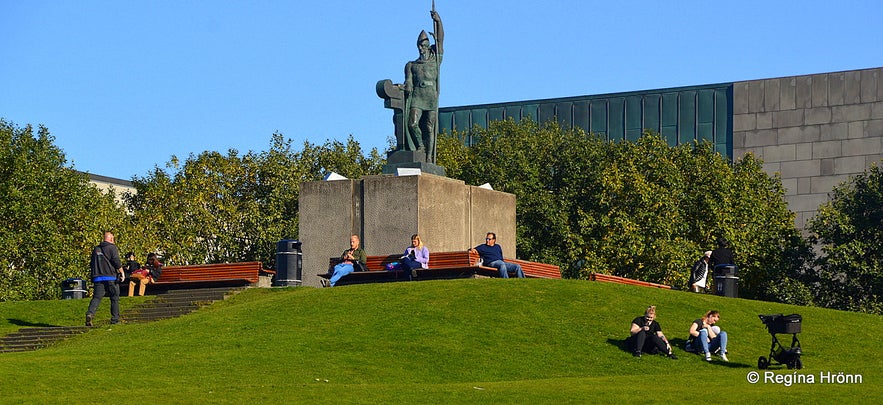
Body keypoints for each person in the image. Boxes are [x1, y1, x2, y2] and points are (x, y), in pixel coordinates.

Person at [401, 8, 444, 163]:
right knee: (412, 123)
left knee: (430, 128)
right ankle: (421, 146)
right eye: (419, 45)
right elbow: (409, 83)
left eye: (423, 44)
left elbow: (440, 40)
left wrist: (438, 21)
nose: (421, 48)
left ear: (428, 46)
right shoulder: (411, 65)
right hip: (418, 98)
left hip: (431, 97)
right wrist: (403, 87)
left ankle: (429, 158)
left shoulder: (435, 60)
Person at [86, 231, 125, 326]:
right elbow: (116, 261)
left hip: (98, 278)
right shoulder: (112, 248)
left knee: (97, 297)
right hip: (110, 276)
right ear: (111, 239)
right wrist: (122, 272)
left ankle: (90, 313)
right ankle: (115, 319)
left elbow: (91, 263)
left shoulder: (96, 249)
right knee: (114, 297)